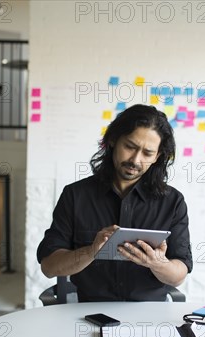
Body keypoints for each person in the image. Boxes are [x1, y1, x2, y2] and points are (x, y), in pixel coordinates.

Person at [37, 104, 192, 301]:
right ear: (112, 140)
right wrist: (90, 251)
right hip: (89, 312)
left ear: (157, 157)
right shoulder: (75, 195)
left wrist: (157, 263)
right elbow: (49, 267)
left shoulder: (173, 202)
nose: (135, 160)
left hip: (150, 315)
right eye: (130, 146)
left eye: (147, 153)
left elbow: (179, 275)